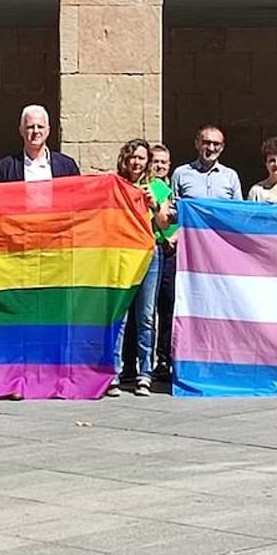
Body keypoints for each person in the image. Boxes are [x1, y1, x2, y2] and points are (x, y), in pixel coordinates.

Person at [109, 139, 166, 398]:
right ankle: (114, 373)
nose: (136, 162)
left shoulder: (158, 187)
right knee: (119, 316)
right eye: (132, 157)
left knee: (145, 316)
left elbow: (165, 224)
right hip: (121, 255)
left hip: (149, 255)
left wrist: (154, 203)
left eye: (141, 158)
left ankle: (145, 374)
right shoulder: (115, 186)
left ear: (148, 162)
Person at [148, 143, 179, 384]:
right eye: (155, 161)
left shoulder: (167, 190)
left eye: (163, 162)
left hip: (167, 251)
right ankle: (140, 363)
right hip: (147, 250)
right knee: (145, 312)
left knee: (166, 308)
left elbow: (171, 223)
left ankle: (163, 359)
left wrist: (172, 238)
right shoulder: (146, 188)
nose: (159, 165)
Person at [0, 104, 79, 181]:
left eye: (40, 127)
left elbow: (78, 194)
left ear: (48, 131)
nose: (36, 131)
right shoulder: (6, 167)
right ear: (21, 131)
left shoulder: (67, 166)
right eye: (30, 127)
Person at [171, 125, 242, 200]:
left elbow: (238, 209)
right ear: (197, 144)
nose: (211, 148)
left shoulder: (231, 176)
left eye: (216, 144)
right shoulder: (180, 174)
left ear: (222, 147)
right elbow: (173, 208)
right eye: (206, 143)